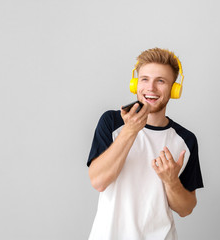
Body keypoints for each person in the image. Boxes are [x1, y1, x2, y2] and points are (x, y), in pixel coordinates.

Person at [87, 48, 204, 240]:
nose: (151, 88)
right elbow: (98, 182)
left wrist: (171, 181)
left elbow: (186, 209)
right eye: (145, 79)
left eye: (161, 81)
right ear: (135, 84)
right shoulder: (112, 122)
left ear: (174, 89)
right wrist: (131, 130)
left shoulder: (185, 140)